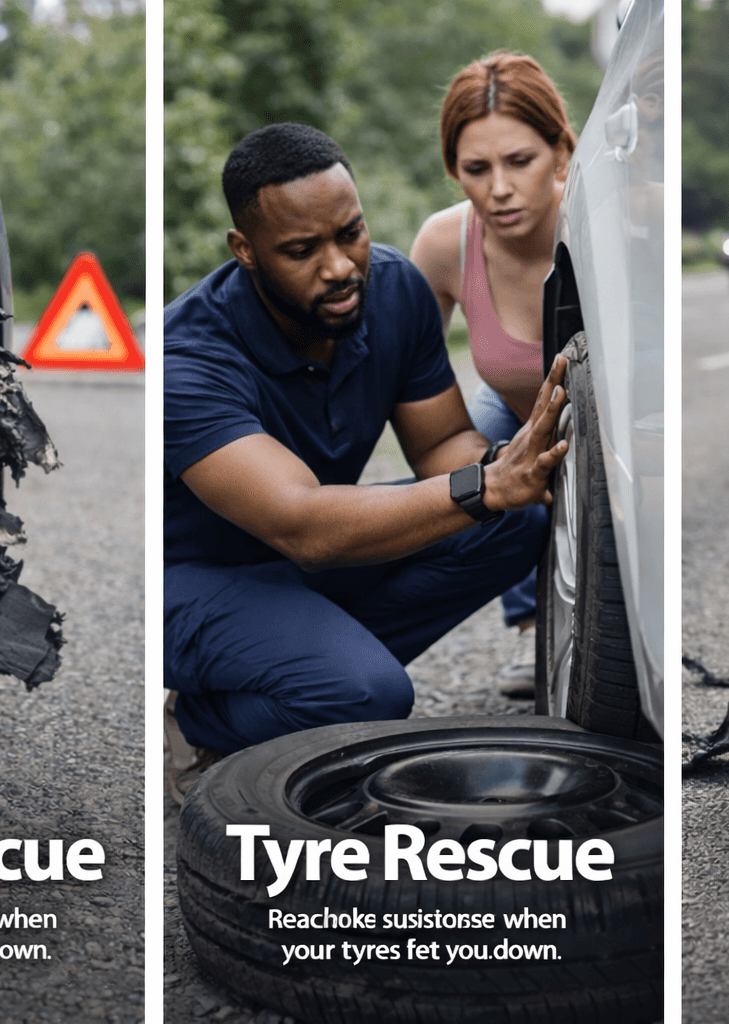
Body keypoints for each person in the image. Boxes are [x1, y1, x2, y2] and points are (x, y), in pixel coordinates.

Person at [163, 122, 571, 801]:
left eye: (348, 232)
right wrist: (485, 486)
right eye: (301, 250)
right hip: (198, 579)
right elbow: (303, 525)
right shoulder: (192, 362)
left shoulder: (393, 291)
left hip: (300, 567)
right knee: (365, 692)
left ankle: (305, 662)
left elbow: (442, 446)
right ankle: (196, 721)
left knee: (512, 523)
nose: (340, 267)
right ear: (246, 251)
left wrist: (506, 470)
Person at [409, 52, 576, 693]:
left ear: (561, 152)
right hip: (511, 408)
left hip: (609, 419)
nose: (499, 188)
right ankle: (529, 620)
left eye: (520, 161)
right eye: (476, 169)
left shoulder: (613, 228)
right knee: (474, 481)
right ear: (455, 170)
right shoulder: (443, 243)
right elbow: (401, 376)